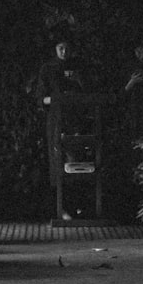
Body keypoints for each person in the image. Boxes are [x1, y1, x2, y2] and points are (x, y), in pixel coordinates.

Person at [37, 38, 88, 216]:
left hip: (76, 119)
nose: (64, 52)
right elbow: (41, 98)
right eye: (60, 48)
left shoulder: (79, 67)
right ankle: (61, 208)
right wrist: (56, 99)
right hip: (57, 120)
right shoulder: (48, 68)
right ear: (55, 49)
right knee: (58, 161)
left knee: (77, 161)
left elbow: (89, 93)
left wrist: (78, 80)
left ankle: (79, 206)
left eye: (67, 48)